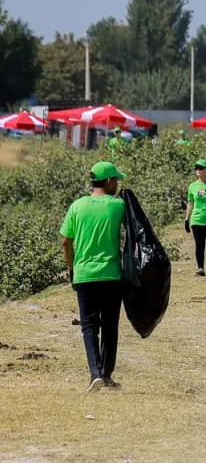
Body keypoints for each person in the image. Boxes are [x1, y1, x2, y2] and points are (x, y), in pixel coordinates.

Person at [60, 161, 128, 391]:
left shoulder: (77, 206)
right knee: (110, 326)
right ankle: (107, 376)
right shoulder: (118, 205)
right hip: (111, 275)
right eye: (116, 180)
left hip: (84, 275)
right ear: (109, 181)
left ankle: (95, 374)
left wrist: (71, 267)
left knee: (89, 327)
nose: (117, 184)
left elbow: (65, 240)